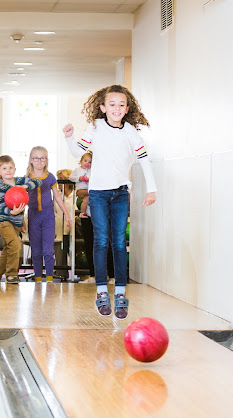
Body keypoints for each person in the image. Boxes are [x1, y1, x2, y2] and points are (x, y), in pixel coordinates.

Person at [63, 84, 157, 320]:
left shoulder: (131, 132)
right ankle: (102, 290)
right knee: (101, 240)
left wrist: (151, 189)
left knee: (118, 241)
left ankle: (121, 293)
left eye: (121, 105)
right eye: (112, 104)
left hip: (120, 192)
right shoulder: (96, 126)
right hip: (98, 193)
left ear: (127, 109)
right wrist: (69, 137)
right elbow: (77, 152)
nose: (117, 108)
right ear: (103, 107)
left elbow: (144, 160)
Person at [0, 155, 41, 284]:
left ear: (15, 168)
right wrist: (12, 211)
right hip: (3, 221)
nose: (8, 170)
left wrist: (25, 187)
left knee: (9, 248)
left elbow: (37, 182)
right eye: (4, 168)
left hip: (16, 222)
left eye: (10, 167)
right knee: (15, 244)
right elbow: (2, 206)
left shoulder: (20, 181)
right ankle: (11, 274)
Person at [25, 147, 72, 282]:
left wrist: (67, 215)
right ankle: (38, 279)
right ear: (31, 160)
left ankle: (50, 279)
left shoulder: (50, 177)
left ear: (46, 161)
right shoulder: (26, 179)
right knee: (36, 250)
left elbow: (57, 196)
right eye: (36, 158)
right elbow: (21, 198)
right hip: (33, 216)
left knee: (48, 250)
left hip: (48, 217)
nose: (39, 161)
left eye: (42, 158)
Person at [54, 169, 76, 279]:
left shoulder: (75, 196)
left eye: (61, 179)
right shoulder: (56, 196)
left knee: (74, 250)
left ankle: (81, 273)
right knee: (60, 250)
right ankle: (61, 272)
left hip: (73, 229)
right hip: (60, 229)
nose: (59, 183)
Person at [69, 152, 93, 217]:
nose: (87, 163)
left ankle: (87, 213)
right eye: (85, 161)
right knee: (86, 200)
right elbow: (71, 177)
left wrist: (88, 179)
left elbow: (94, 179)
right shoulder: (77, 170)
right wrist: (79, 178)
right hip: (81, 189)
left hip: (89, 189)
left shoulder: (91, 170)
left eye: (90, 162)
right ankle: (82, 212)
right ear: (81, 161)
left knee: (89, 201)